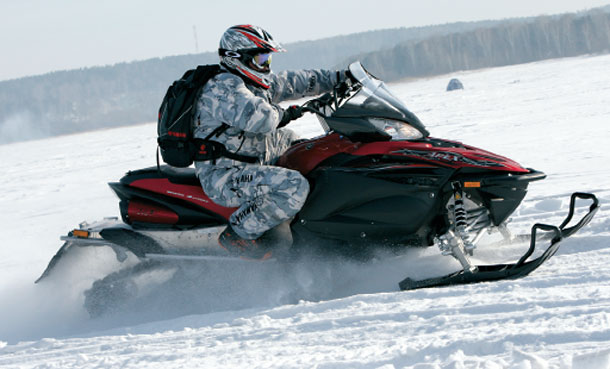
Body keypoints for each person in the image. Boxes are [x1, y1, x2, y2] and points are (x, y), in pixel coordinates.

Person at [193, 25, 350, 259]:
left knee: (312, 150)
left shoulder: (251, 83)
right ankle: (239, 233)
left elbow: (294, 82)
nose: (266, 65)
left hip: (249, 158)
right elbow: (260, 118)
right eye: (261, 58)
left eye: (267, 58)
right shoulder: (222, 88)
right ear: (238, 58)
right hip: (224, 175)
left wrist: (340, 78)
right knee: (294, 186)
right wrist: (288, 113)